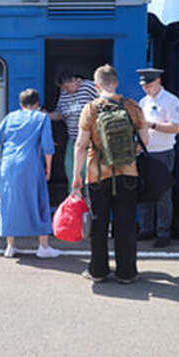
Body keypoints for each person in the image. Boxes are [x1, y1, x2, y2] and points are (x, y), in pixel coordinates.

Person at [72, 64, 148, 283]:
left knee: (99, 223)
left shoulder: (91, 108)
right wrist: (128, 154)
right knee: (125, 222)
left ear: (97, 85)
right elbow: (145, 140)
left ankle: (98, 271)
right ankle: (127, 272)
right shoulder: (132, 106)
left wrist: (77, 175)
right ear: (116, 83)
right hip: (128, 172)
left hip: (97, 173)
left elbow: (80, 145)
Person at [0, 88, 60, 259]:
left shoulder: (10, 117)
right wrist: (48, 168)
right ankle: (43, 247)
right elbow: (47, 146)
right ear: (37, 104)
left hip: (8, 165)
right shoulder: (41, 117)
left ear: (21, 104)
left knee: (9, 203)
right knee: (39, 201)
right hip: (30, 164)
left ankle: (10, 247)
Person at [136, 68, 179, 248]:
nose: (146, 89)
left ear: (158, 82)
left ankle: (163, 232)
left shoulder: (170, 100)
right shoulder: (143, 101)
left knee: (162, 193)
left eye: (149, 85)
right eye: (144, 86)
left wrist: (153, 125)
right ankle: (146, 229)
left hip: (163, 151)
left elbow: (176, 127)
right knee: (144, 191)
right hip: (145, 151)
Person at [49, 70, 99, 192]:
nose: (65, 90)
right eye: (63, 88)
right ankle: (75, 201)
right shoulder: (64, 93)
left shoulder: (89, 87)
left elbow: (104, 104)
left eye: (67, 87)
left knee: (87, 173)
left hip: (90, 140)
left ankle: (89, 204)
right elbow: (60, 114)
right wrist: (46, 116)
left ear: (75, 81)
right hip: (74, 140)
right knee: (71, 170)